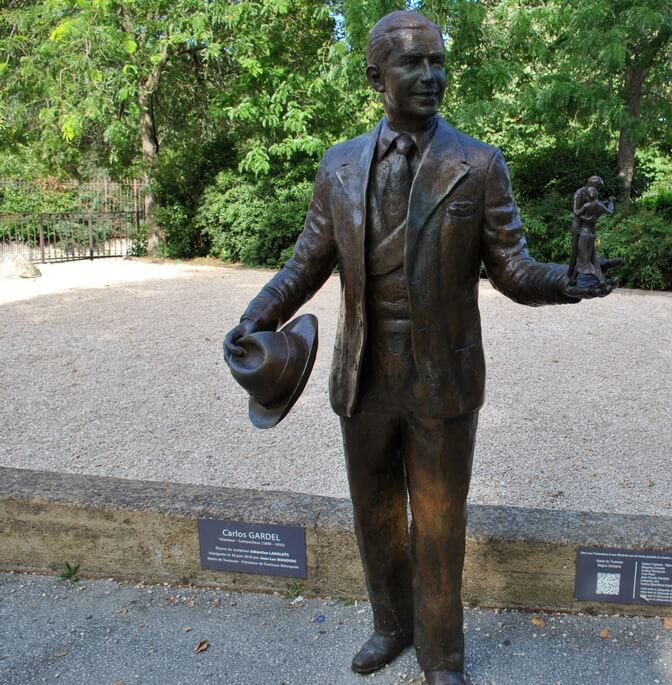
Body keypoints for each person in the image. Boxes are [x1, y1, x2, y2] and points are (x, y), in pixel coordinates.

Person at [222, 11, 614, 685]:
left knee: (438, 526)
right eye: (413, 64)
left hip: (443, 379)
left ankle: (444, 656)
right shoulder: (339, 165)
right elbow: (305, 263)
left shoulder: (478, 164)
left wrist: (573, 276)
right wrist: (253, 316)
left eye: (437, 61)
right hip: (364, 376)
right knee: (374, 516)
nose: (431, 75)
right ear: (376, 76)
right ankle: (390, 626)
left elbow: (514, 270)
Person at [568, 175, 614, 286]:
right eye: (598, 187)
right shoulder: (580, 193)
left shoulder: (591, 197)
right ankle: (570, 276)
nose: (598, 189)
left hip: (587, 229)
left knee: (591, 255)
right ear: (594, 184)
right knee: (577, 253)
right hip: (579, 228)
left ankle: (600, 278)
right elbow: (577, 212)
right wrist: (588, 218)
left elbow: (593, 205)